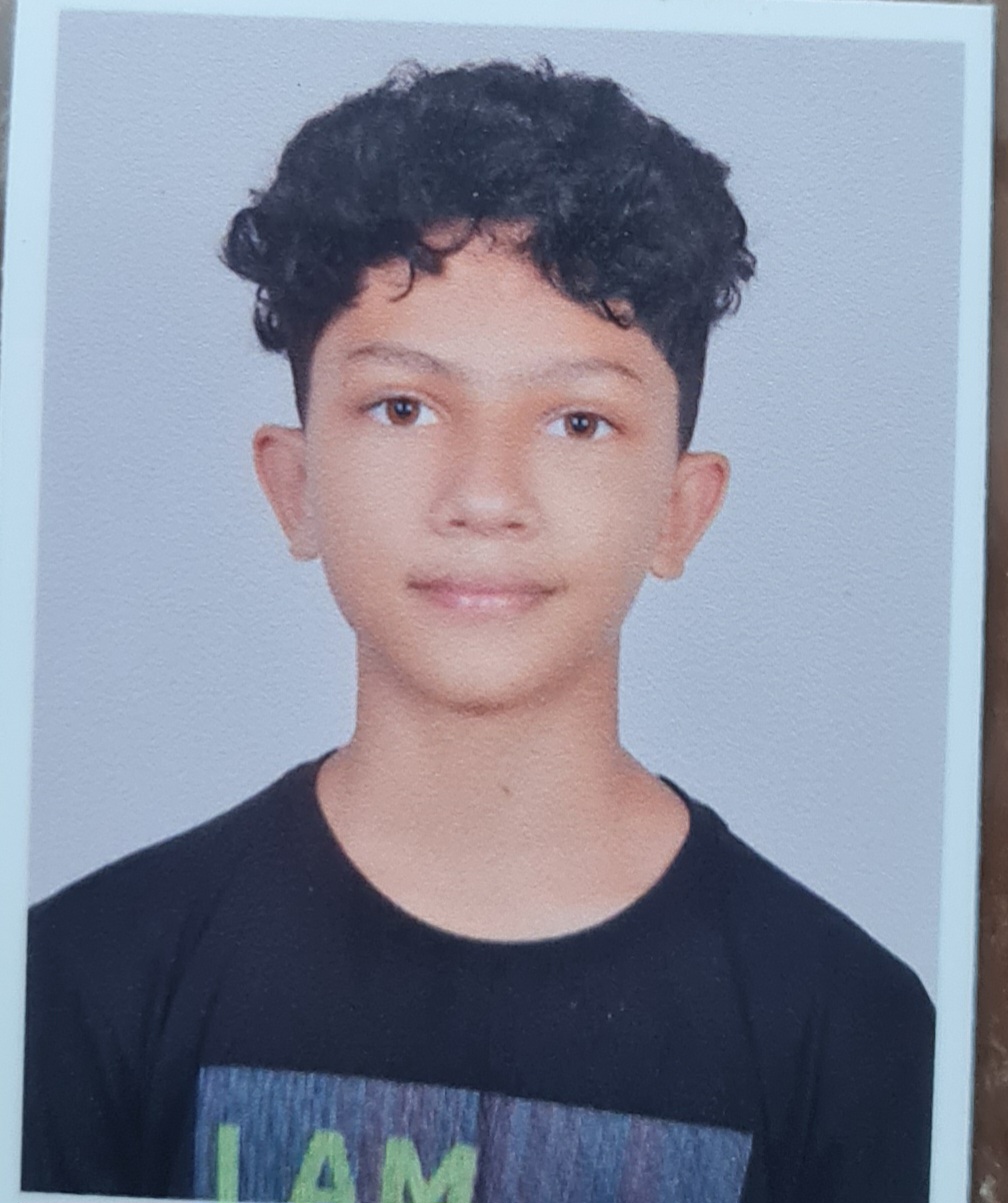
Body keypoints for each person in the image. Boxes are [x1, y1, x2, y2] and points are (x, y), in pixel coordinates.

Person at [22, 60, 934, 1202]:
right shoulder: (82, 979)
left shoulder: (853, 1030)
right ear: (294, 487)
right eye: (403, 407)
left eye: (578, 421)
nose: (486, 495)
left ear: (680, 509)